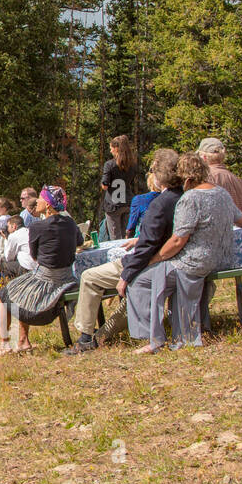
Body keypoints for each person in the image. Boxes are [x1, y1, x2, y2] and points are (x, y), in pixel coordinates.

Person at [126, 153, 242, 353]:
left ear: (187, 178)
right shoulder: (221, 193)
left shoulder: (190, 198)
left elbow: (178, 240)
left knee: (142, 279)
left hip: (194, 262)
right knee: (163, 274)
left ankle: (153, 337)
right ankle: (184, 325)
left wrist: (154, 260)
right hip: (219, 258)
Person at [65, 149, 181, 356]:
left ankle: (85, 337)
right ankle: (100, 335)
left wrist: (126, 274)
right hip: (169, 259)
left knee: (89, 276)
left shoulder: (159, 205)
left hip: (148, 262)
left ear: (158, 175)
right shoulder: (183, 197)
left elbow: (147, 248)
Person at [0, 186, 82, 356]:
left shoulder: (38, 227)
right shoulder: (70, 223)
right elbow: (79, 241)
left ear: (48, 205)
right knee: (21, 288)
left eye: (40, 199)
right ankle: (23, 341)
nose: (36, 202)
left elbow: (34, 257)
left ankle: (5, 343)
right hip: (68, 281)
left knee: (5, 294)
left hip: (46, 282)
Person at [100, 135, 139, 241]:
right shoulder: (133, 165)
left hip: (113, 204)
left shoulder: (109, 165)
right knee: (126, 237)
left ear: (116, 148)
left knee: (115, 238)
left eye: (111, 148)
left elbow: (105, 185)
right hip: (127, 203)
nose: (110, 150)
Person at [197, 137, 242, 214]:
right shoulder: (236, 178)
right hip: (240, 224)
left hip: (219, 225)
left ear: (204, 157)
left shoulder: (207, 178)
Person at [127, 172, 161, 237]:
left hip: (143, 238)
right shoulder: (169, 198)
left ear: (149, 184)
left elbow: (130, 227)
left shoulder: (139, 199)